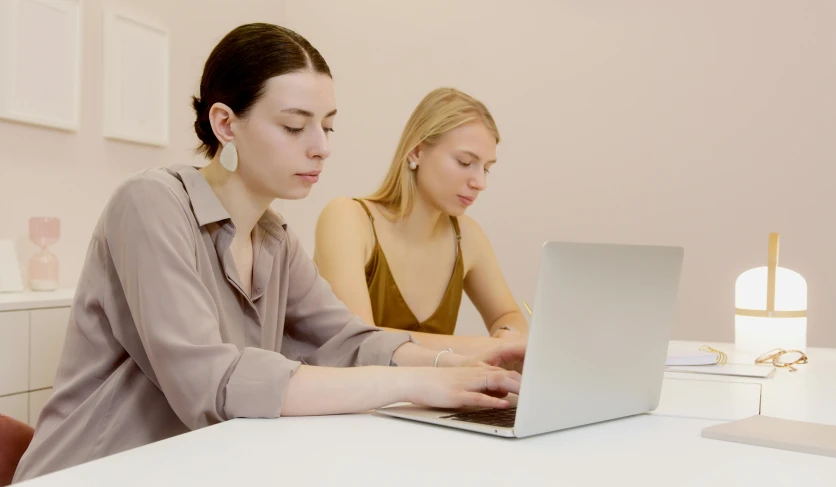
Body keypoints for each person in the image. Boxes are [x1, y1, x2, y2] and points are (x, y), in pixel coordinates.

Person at [12, 24, 523, 483]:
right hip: (91, 471)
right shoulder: (149, 204)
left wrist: (467, 364)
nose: (321, 146)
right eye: (295, 126)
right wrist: (424, 383)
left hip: (193, 467)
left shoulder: (275, 239)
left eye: (328, 125)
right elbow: (213, 385)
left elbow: (349, 341)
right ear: (226, 123)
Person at [313, 87, 529, 356]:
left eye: (486, 168)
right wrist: (490, 347)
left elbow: (508, 316)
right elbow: (361, 342)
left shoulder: (467, 235)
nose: (480, 183)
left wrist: (507, 333)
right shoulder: (347, 219)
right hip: (356, 397)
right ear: (416, 151)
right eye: (465, 162)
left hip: (436, 398)